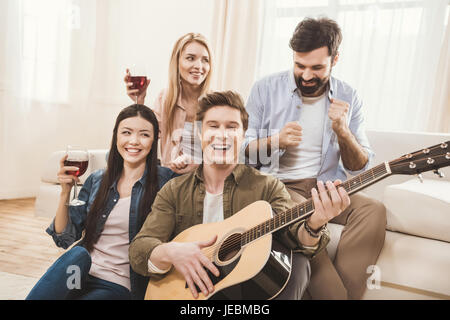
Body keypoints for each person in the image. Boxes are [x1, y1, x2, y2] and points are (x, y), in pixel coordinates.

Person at [129, 90, 351, 300]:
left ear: (243, 134)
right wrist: (170, 251)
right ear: (200, 132)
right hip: (189, 293)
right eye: (213, 126)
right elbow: (140, 249)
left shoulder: (268, 187)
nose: (222, 135)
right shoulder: (174, 190)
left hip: (245, 295)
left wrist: (316, 223)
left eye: (231, 127)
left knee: (299, 263)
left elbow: (296, 237)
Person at [244, 17, 387, 300]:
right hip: (279, 186)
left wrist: (343, 132)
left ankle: (342, 294)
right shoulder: (265, 89)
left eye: (317, 68)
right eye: (300, 65)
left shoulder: (349, 96)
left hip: (326, 186)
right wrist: (275, 141)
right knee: (310, 211)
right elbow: (242, 151)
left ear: (335, 59)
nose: (306, 75)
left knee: (374, 210)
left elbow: (361, 165)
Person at [26, 104, 176, 300]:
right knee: (76, 255)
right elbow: (65, 238)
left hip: (117, 282)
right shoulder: (97, 179)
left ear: (154, 140)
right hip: (79, 272)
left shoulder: (166, 182)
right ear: (116, 137)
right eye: (126, 132)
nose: (134, 141)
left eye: (144, 134)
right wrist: (65, 192)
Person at [124, 32, 213, 174]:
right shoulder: (165, 98)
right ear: (177, 63)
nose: (199, 66)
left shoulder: (216, 104)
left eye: (205, 60)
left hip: (205, 180)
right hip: (170, 181)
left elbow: (226, 155)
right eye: (190, 58)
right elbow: (143, 138)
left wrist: (197, 165)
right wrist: (139, 102)